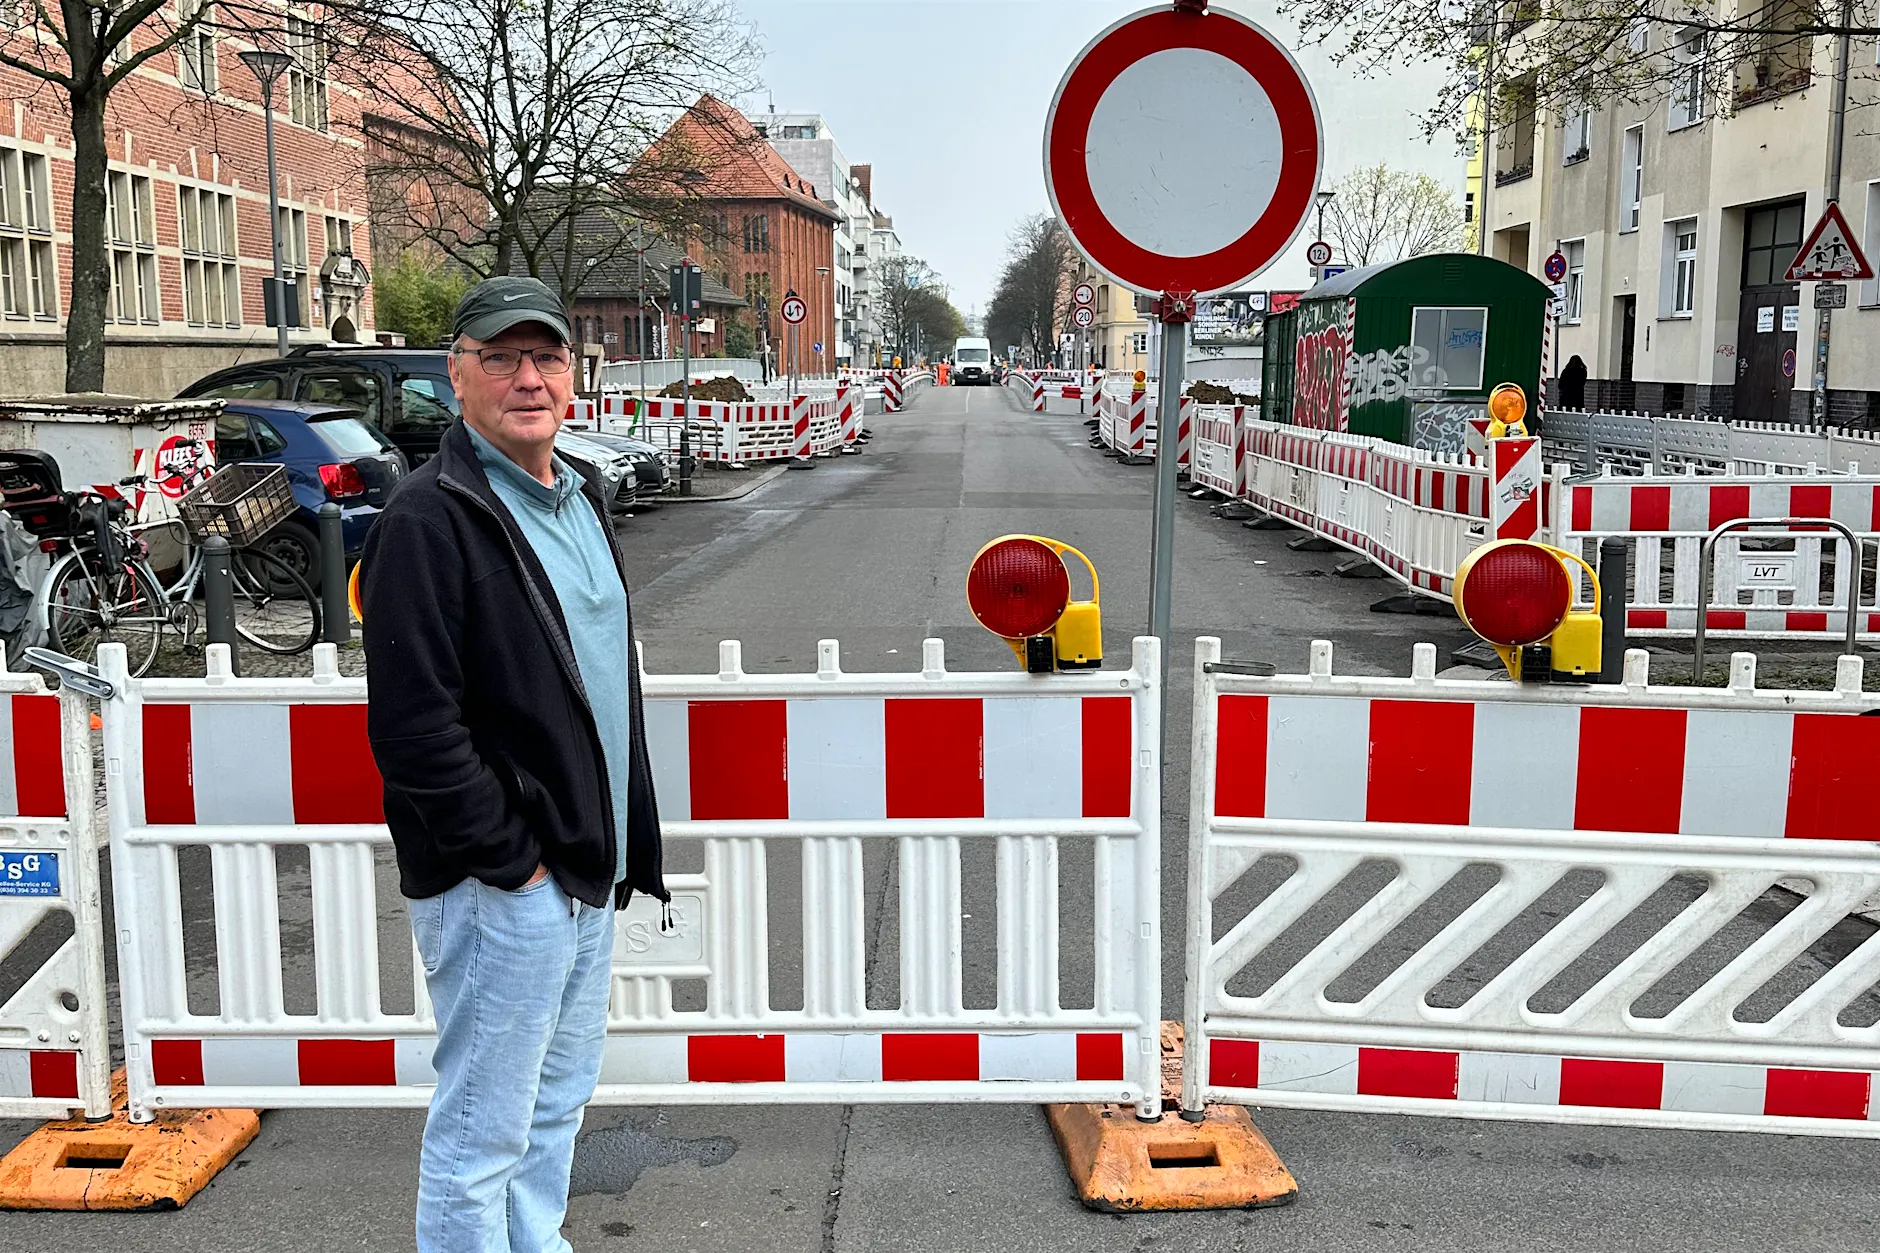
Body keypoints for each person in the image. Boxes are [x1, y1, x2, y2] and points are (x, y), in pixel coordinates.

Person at [360, 275, 667, 1253]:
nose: (526, 377)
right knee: (480, 1131)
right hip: (508, 885)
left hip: (583, 866)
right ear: (458, 374)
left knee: (552, 1111)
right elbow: (415, 727)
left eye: (544, 356)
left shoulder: (579, 491)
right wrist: (512, 861)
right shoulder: (428, 515)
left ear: (574, 376)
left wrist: (593, 851)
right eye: (500, 357)